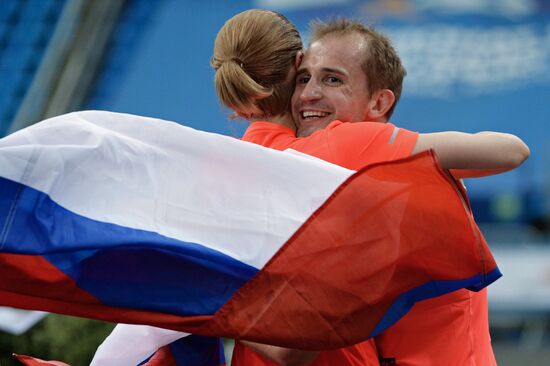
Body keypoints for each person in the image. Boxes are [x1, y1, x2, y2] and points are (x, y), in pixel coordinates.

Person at [213, 14, 529, 366]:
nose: (309, 94)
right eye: (303, 79)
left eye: (332, 79)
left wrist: (213, 302)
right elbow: (511, 149)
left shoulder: (329, 149)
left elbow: (512, 151)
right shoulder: (343, 155)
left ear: (379, 103)